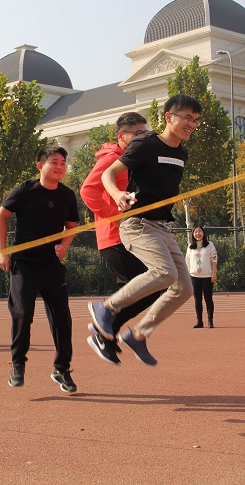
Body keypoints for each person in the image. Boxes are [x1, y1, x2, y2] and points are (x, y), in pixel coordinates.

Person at [88, 93, 201, 366]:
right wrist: (117, 195)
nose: (191, 124)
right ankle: (106, 307)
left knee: (184, 288)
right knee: (164, 273)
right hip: (137, 224)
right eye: (187, 118)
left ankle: (138, 334)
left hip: (163, 227)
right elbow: (108, 174)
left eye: (196, 120)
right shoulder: (145, 144)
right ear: (169, 117)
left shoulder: (182, 153)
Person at [79, 111, 161, 365]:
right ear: (121, 136)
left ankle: (106, 333)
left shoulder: (131, 160)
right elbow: (87, 190)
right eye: (136, 133)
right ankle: (104, 330)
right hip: (115, 237)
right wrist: (114, 215)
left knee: (149, 287)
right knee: (151, 286)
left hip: (132, 235)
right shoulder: (111, 159)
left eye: (144, 133)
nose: (141, 137)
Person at [0, 145, 79, 393]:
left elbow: (71, 226)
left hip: (51, 265)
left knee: (62, 318)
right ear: (40, 166)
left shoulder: (67, 195)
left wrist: (64, 245)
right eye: (54, 162)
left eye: (63, 163)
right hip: (24, 264)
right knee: (22, 314)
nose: (60, 167)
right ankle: (18, 364)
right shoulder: (25, 190)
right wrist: (2, 251)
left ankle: (62, 369)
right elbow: (1, 216)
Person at [185, 225, 218, 328]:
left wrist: (214, 273)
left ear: (203, 233)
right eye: (195, 232)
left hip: (207, 276)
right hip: (194, 277)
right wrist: (187, 275)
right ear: (193, 234)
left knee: (208, 298)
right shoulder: (190, 247)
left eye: (199, 231)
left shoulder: (210, 245)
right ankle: (199, 321)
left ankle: (210, 321)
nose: (197, 234)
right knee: (197, 299)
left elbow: (214, 259)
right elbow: (187, 261)